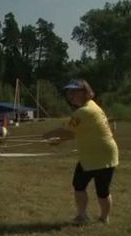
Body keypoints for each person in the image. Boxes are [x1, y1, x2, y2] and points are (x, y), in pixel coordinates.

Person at [43, 79, 119, 224]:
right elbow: (74, 133)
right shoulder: (93, 106)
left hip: (95, 156)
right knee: (100, 189)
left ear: (85, 93)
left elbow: (66, 132)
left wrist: (46, 135)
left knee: (82, 186)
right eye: (69, 92)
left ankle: (84, 216)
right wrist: (59, 140)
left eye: (74, 92)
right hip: (105, 155)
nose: (70, 95)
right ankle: (103, 218)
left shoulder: (82, 112)